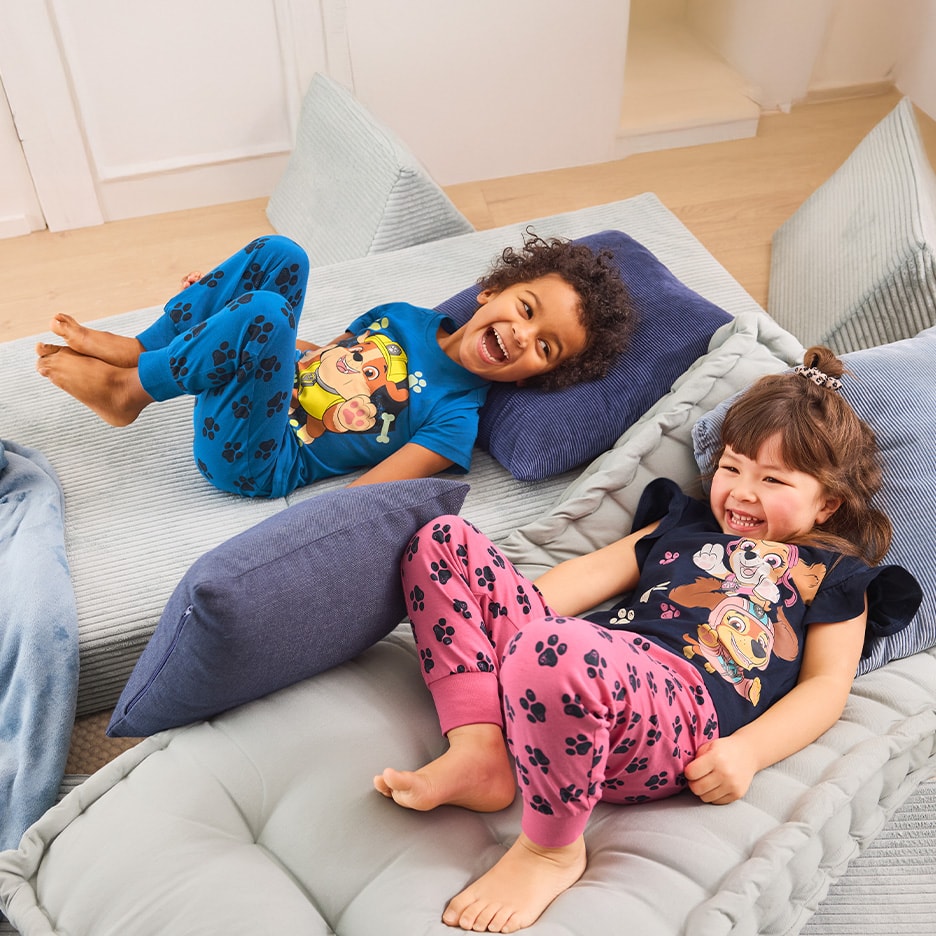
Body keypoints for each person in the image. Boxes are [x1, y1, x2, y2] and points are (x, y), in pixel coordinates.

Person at [374, 346, 922, 933]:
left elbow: (825, 688)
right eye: (732, 467)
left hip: (673, 714)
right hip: (573, 666)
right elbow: (574, 584)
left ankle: (550, 849)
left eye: (772, 479)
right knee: (442, 538)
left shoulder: (833, 577)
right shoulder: (681, 527)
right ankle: (478, 749)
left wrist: (748, 752)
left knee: (554, 648)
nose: (740, 490)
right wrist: (498, 616)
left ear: (827, 503)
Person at [35, 232, 632, 498]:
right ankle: (147, 349)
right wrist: (226, 320)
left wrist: (253, 320)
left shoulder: (456, 419)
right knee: (280, 256)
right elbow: (318, 360)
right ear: (491, 291)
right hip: (255, 397)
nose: (522, 335)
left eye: (545, 347)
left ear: (534, 378)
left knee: (264, 312)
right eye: (525, 309)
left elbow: (366, 495)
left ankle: (133, 390)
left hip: (257, 459)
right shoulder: (401, 315)